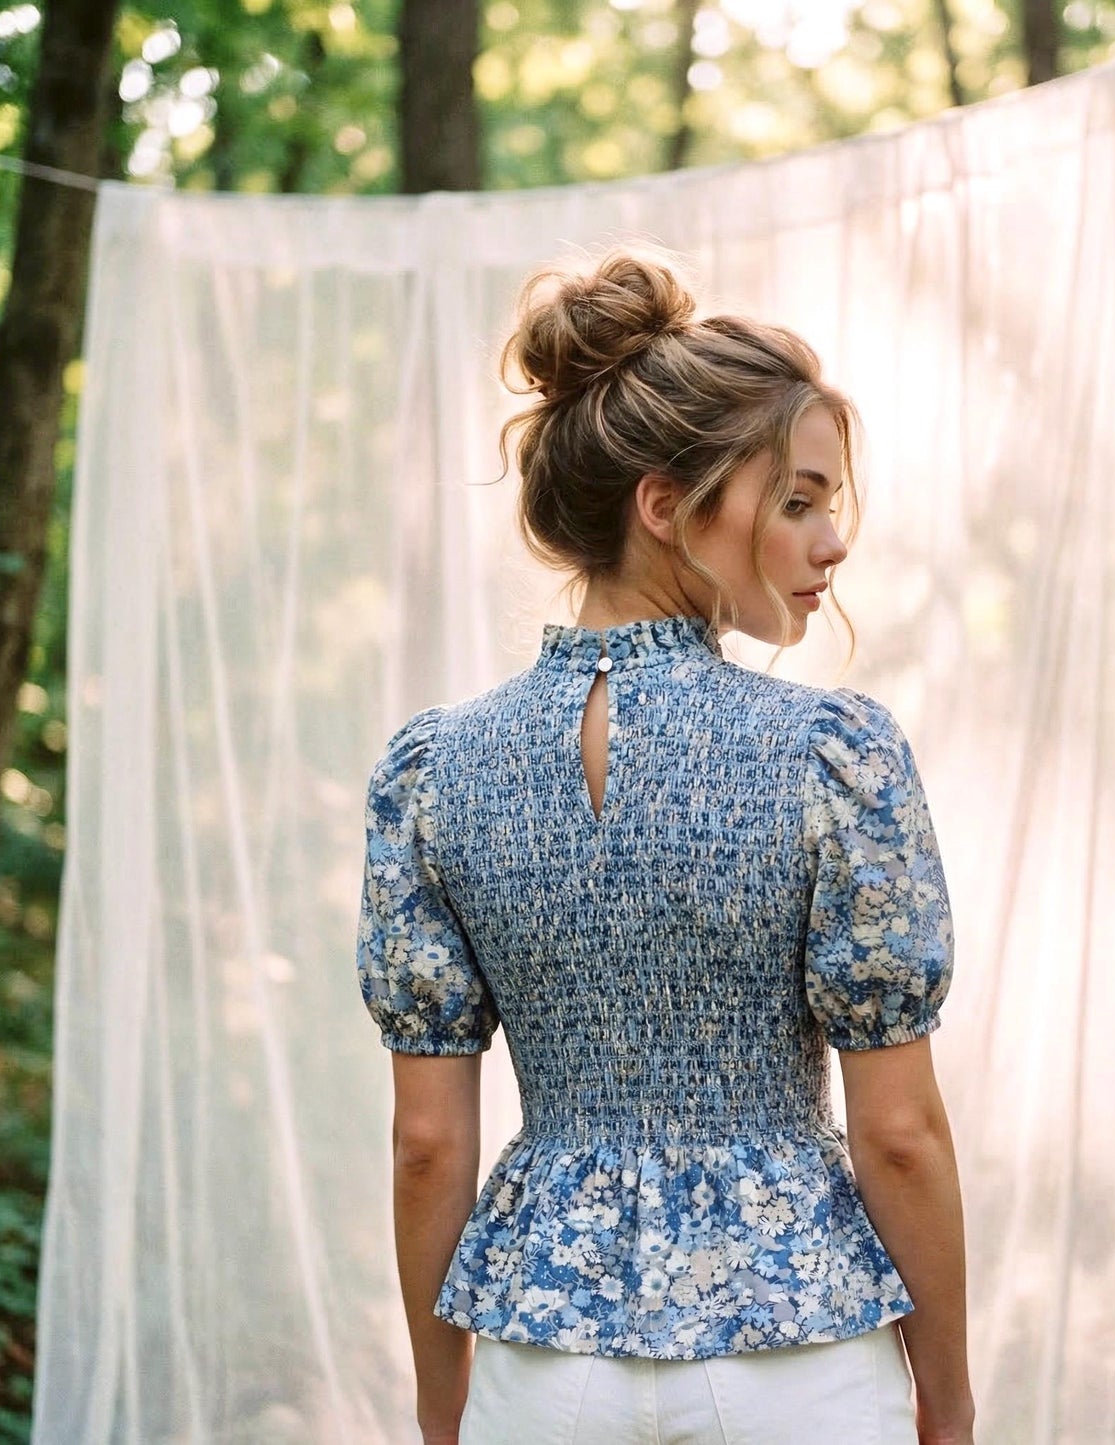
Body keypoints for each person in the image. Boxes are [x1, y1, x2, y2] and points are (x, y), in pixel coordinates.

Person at [356, 246, 974, 1445]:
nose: (831, 541)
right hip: (798, 1355)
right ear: (662, 507)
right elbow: (898, 1133)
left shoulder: (431, 771)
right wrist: (944, 1400)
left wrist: (445, 1401)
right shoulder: (830, 755)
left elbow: (427, 1142)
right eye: (795, 501)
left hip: (543, 1368)